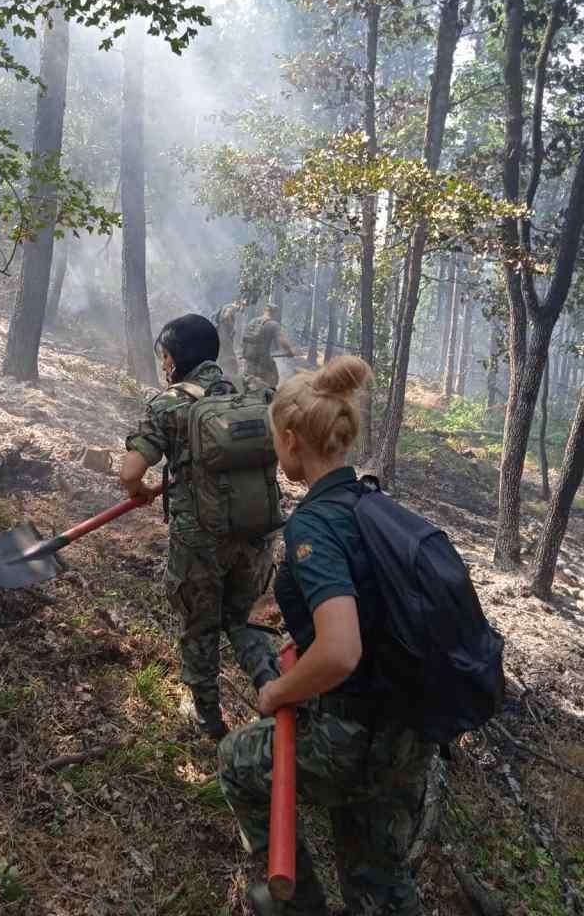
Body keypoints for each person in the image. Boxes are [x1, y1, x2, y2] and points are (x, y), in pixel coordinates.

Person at [218, 356, 435, 916]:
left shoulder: (314, 524)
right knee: (377, 879)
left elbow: (341, 650)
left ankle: (298, 906)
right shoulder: (374, 504)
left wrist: (277, 694)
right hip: (409, 731)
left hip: (353, 733)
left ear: (290, 441)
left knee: (238, 762)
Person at [119, 314, 280, 741]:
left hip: (200, 543)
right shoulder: (256, 393)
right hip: (257, 533)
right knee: (243, 619)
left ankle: (208, 721)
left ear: (171, 359)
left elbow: (130, 470)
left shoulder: (169, 403)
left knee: (200, 626)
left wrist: (138, 490)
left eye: (163, 357)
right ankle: (274, 689)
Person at [242, 303, 295, 388]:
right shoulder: (273, 324)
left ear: (264, 310)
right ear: (275, 313)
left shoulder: (252, 321)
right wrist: (290, 351)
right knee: (272, 383)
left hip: (249, 359)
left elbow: (244, 339)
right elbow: (282, 341)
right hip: (263, 361)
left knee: (249, 384)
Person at [214, 301, 241, 375]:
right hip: (224, 335)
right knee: (229, 354)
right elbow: (226, 316)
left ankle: (220, 371)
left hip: (220, 334)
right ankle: (230, 373)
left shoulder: (225, 306)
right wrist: (232, 328)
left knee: (221, 354)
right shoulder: (232, 308)